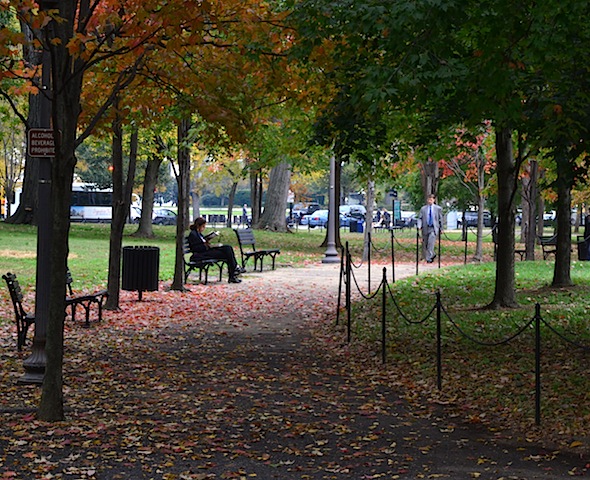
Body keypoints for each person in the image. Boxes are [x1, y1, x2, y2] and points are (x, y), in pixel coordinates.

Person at [188, 217, 244, 283]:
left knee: (228, 248)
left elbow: (203, 242)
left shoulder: (198, 234)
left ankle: (234, 272)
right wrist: (208, 245)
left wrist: (209, 242)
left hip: (207, 252)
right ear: (198, 226)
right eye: (203, 226)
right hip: (202, 255)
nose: (204, 228)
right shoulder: (193, 234)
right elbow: (197, 248)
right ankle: (234, 271)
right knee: (228, 254)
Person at [419, 194, 442, 263]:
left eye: (431, 200)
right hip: (425, 228)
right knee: (425, 243)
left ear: (434, 200)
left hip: (433, 228)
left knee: (430, 242)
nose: (430, 201)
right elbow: (420, 218)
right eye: (429, 200)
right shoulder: (423, 209)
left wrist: (441, 229)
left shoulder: (438, 209)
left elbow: (440, 219)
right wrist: (419, 226)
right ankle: (432, 254)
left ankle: (428, 258)